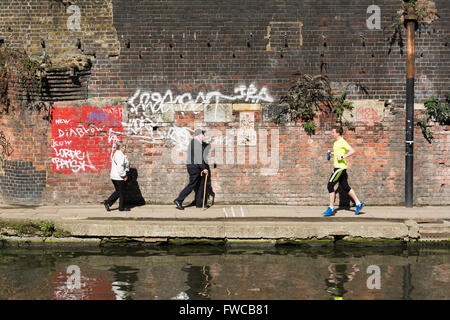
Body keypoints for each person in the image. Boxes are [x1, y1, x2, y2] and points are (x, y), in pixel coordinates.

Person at [323, 126, 364, 216]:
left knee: (330, 185)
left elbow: (352, 151)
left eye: (333, 132)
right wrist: (331, 153)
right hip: (338, 167)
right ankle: (358, 203)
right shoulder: (335, 142)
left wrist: (342, 157)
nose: (332, 133)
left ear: (338, 133)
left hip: (340, 168)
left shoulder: (342, 141)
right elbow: (338, 153)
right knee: (345, 187)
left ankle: (331, 208)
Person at [173, 129, 209, 210]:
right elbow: (198, 158)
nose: (204, 137)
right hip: (195, 168)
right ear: (199, 135)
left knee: (200, 185)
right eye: (203, 135)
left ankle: (199, 203)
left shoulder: (196, 143)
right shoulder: (196, 144)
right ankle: (179, 200)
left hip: (195, 167)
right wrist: (204, 168)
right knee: (192, 185)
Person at [104, 141, 130, 212]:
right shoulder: (120, 155)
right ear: (122, 147)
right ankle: (120, 207)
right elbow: (120, 167)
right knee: (121, 192)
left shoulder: (117, 154)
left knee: (118, 192)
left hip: (114, 176)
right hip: (119, 177)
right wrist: (124, 175)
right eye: (125, 147)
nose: (125, 149)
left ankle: (108, 203)